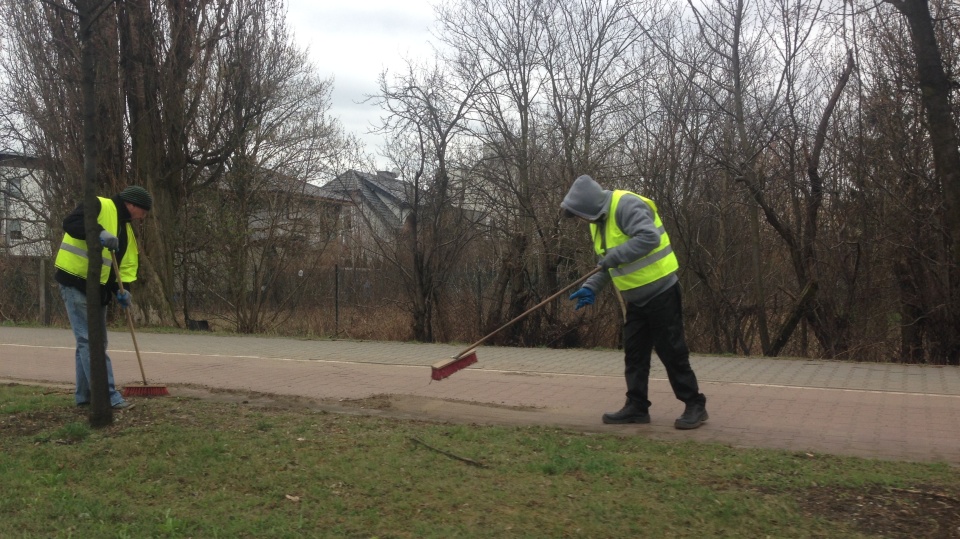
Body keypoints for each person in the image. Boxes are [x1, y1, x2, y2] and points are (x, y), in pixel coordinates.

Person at [561, 175, 708, 429]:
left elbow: (648, 237)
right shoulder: (597, 222)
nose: (581, 220)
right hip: (635, 299)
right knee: (635, 354)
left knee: (672, 351)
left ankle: (695, 404)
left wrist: (614, 257)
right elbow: (606, 264)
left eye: (581, 214)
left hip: (661, 291)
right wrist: (590, 287)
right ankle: (637, 407)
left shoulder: (626, 205)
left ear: (591, 205)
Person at [54, 185, 153, 410]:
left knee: (90, 342)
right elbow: (70, 223)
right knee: (91, 342)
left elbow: (122, 265)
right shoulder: (98, 204)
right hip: (76, 282)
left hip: (98, 289)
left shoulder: (125, 230)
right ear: (132, 205)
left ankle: (85, 396)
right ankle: (107, 395)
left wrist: (122, 290)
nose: (143, 217)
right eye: (143, 212)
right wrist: (98, 232)